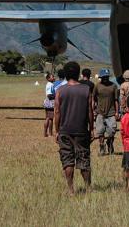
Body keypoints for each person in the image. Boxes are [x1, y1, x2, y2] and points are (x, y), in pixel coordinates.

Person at [53, 61, 94, 195]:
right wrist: (92, 129)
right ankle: (88, 187)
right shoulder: (86, 89)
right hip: (82, 130)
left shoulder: (60, 90)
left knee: (67, 160)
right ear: (78, 73)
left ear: (65, 74)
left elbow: (57, 112)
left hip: (65, 130)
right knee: (84, 159)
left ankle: (71, 189)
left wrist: (57, 130)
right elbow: (90, 111)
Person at [92, 69, 119, 156]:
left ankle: (110, 143)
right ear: (101, 77)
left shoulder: (114, 86)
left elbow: (116, 100)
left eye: (107, 77)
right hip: (100, 112)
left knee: (112, 131)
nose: (105, 79)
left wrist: (117, 112)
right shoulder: (97, 86)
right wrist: (93, 110)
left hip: (111, 112)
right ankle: (102, 147)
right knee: (100, 131)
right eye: (104, 77)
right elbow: (94, 98)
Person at [43, 73, 56, 137]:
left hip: (48, 102)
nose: (54, 77)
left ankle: (49, 133)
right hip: (50, 102)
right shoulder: (50, 85)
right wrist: (57, 95)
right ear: (48, 78)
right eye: (52, 77)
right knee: (49, 118)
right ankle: (47, 133)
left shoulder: (50, 84)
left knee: (50, 118)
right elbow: (49, 95)